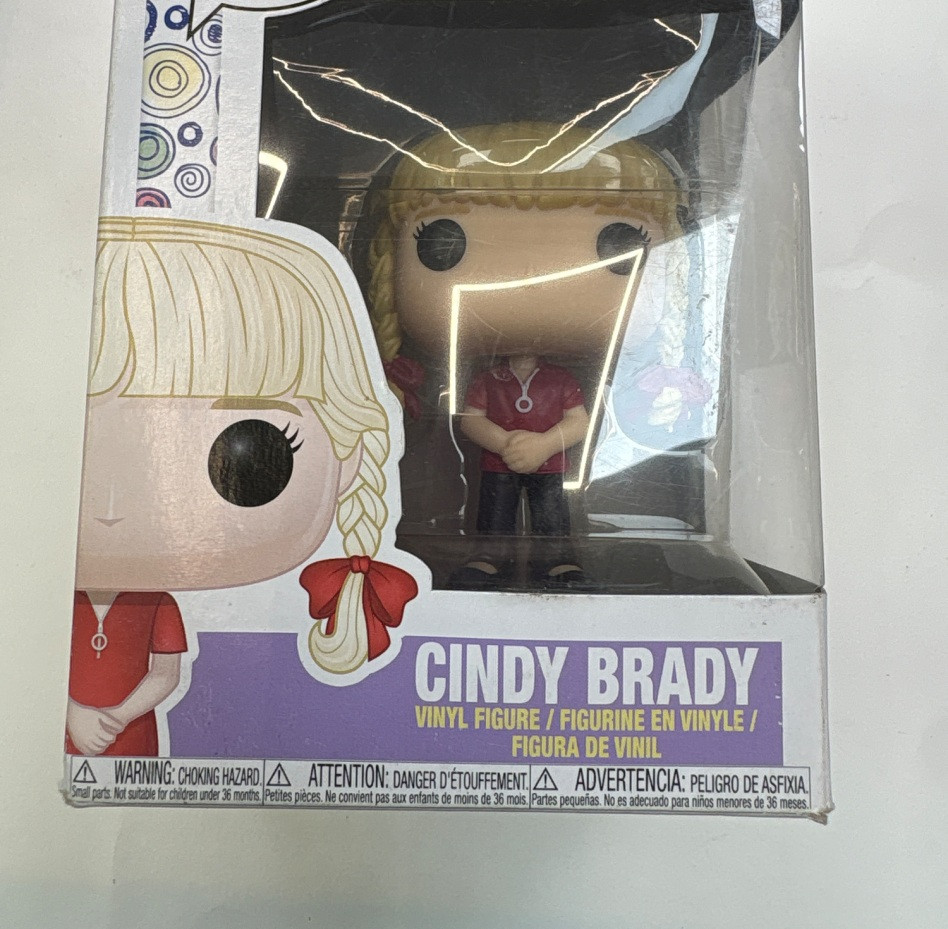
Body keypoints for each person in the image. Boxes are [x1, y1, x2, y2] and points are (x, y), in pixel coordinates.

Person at [67, 216, 416, 758]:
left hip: (131, 741)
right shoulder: (48, 598)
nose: (111, 507)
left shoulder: (157, 603)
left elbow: (165, 674)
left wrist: (113, 718)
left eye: (252, 453)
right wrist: (71, 711)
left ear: (347, 453)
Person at [365, 122, 691, 586]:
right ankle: (488, 557)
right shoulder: (488, 381)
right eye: (442, 241)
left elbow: (579, 421)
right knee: (493, 508)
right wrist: (502, 443)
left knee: (550, 509)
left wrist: (544, 444)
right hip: (497, 461)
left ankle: (557, 559)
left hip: (549, 461)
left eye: (619, 241)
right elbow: (470, 420)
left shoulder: (560, 381)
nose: (532, 277)